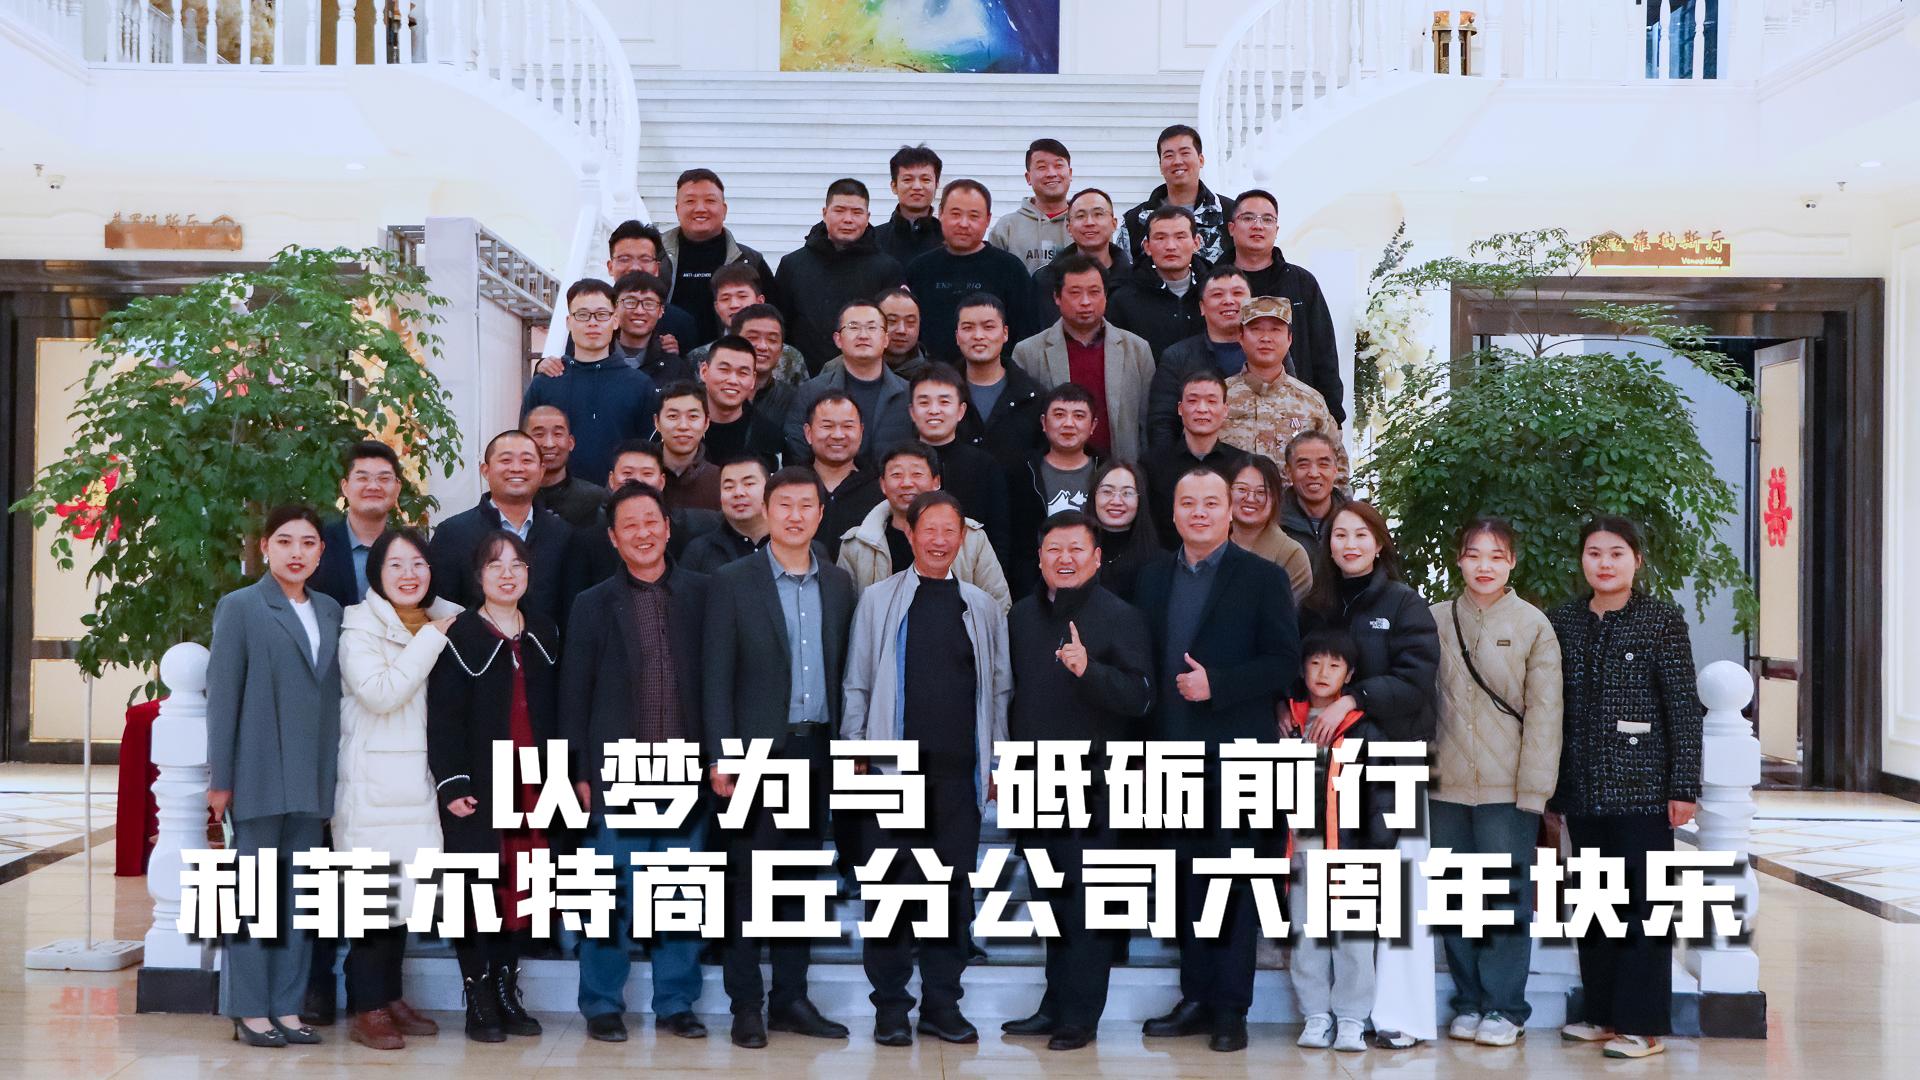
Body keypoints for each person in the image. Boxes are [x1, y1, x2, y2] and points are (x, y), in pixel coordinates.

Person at [1134, 468, 1298, 1054]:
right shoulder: (1152, 578)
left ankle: (1231, 1008)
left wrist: (1219, 685)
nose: (1199, 512)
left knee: (1232, 883)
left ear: (1231, 512)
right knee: (1184, 883)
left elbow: (1285, 663)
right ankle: (1196, 998)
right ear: (1173, 513)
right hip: (1169, 755)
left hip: (1237, 756)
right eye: (1188, 502)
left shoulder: (1263, 578)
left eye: (1211, 502)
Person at [842, 490, 1012, 1048]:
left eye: (949, 531)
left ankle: (943, 1004)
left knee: (951, 894)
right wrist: (854, 752)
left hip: (958, 777)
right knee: (888, 892)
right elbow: (857, 682)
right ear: (909, 534)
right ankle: (891, 1008)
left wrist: (997, 760)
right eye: (929, 530)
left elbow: (999, 692)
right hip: (892, 776)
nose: (939, 540)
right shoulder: (878, 599)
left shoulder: (981, 607)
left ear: (962, 539)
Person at [703, 467, 858, 1049]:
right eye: (784, 505)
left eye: (806, 506)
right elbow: (715, 676)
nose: (795, 516)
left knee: (798, 881)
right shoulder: (732, 581)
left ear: (821, 514)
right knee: (748, 882)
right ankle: (746, 1004)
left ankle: (791, 998)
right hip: (752, 756)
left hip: (814, 751)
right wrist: (722, 755)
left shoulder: (838, 583)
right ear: (766, 511)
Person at [561, 482, 712, 1044]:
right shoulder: (592, 603)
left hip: (686, 770)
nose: (643, 533)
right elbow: (574, 693)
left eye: (652, 522)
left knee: (680, 891)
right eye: (630, 525)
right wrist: (578, 772)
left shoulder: (703, 594)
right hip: (616, 770)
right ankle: (602, 1003)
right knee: (609, 892)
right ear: (613, 538)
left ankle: (676, 1003)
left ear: (667, 528)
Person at [1547, 516, 1701, 1061]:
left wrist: (1684, 785)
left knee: (1645, 905)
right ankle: (1602, 1014)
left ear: (1636, 560)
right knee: (1594, 903)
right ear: (1582, 560)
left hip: (1645, 792)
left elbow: (1683, 708)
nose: (1605, 563)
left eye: (1616, 553)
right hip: (1582, 789)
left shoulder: (1661, 620)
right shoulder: (1562, 621)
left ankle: (1643, 1026)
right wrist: (1552, 791)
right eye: (1594, 553)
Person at [1002, 511, 1153, 1051]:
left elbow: (1140, 697)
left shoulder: (1121, 616)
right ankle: (1053, 1005)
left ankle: (1080, 1016)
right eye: (1054, 550)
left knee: (1089, 905)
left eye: (1075, 550)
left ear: (1096, 557)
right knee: (1050, 899)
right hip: (1033, 779)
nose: (1064, 559)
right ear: (1040, 558)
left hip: (1098, 784)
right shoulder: (1021, 616)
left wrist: (1090, 670)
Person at [1298, 499, 1441, 1049]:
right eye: (1340, 535)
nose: (1350, 544)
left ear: (1378, 543)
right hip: (1322, 772)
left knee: (1395, 899)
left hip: (1391, 765)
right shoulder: (1316, 605)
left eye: (1361, 534)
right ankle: (1323, 1012)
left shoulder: (1404, 603)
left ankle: (1396, 1018)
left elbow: (1416, 679)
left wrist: (1353, 698)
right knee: (1318, 902)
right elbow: (1297, 668)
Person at [207, 505, 343, 1049]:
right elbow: (223, 698)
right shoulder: (241, 607)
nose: (296, 552)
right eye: (284, 541)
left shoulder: (330, 609)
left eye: (307, 543)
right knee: (255, 898)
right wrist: (221, 780)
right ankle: (249, 1010)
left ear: (321, 552)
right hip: (258, 772)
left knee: (299, 900)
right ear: (265, 547)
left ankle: (287, 1006)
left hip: (312, 777)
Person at [1431, 517, 1564, 1048]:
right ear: (1459, 560)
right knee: (1455, 895)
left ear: (1512, 562)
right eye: (1474, 555)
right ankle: (1468, 1001)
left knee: (1506, 897)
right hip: (1443, 784)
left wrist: (1535, 790)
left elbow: (1546, 714)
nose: (1484, 566)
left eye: (1496, 556)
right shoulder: (1436, 619)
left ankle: (1505, 1007)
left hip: (1507, 788)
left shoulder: (1534, 625)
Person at [427, 531, 560, 1044]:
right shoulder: (460, 634)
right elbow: (444, 719)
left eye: (517, 564)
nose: (508, 574)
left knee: (521, 888)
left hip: (533, 784)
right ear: (478, 575)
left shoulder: (544, 629)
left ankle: (507, 989)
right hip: (479, 784)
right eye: (495, 564)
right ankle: (477, 994)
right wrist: (453, 782)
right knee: (476, 888)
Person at [334, 527, 458, 1051]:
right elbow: (381, 693)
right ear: (376, 574)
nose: (409, 575)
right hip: (374, 783)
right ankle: (368, 1008)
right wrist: (431, 638)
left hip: (416, 780)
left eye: (418, 564)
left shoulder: (438, 620)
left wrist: (436, 629)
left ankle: (389, 996)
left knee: (403, 897)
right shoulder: (359, 629)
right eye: (396, 565)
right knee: (373, 901)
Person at [1284, 628, 1395, 1056]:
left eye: (1334, 665)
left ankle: (1351, 1019)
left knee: (1354, 938)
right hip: (1302, 850)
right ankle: (1315, 1014)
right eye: (1315, 663)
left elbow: (1383, 793)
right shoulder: (1287, 722)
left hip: (1352, 850)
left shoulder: (1365, 729)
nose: (1323, 672)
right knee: (1306, 935)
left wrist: (1377, 847)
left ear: (1349, 675)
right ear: (1301, 669)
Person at [1012, 252, 1154, 463]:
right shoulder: (1028, 353)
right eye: (1075, 293)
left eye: (1094, 292)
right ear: (1057, 297)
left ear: (1106, 295)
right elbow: (1023, 428)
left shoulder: (1137, 349)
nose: (1085, 302)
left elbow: (1147, 422)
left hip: (1119, 471)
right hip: (1053, 472)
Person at [836, 442, 1011, 611]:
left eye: (917, 474)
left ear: (936, 482)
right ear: (882, 484)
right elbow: (846, 615)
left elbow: (998, 605)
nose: (906, 483)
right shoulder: (858, 544)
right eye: (896, 475)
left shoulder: (971, 538)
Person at [1224, 189, 1345, 422]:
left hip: (1295, 415)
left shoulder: (1301, 282)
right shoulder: (1214, 283)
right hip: (1230, 414)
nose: (1258, 226)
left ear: (1276, 230)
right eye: (1248, 218)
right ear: (1231, 228)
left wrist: (1334, 418)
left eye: (1267, 219)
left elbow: (1324, 352)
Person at [521, 279, 659, 484]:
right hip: (553, 497)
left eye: (601, 315)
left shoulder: (640, 385)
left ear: (615, 321)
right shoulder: (546, 382)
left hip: (618, 497)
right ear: (569, 322)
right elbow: (525, 446)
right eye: (583, 315)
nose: (592, 323)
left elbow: (649, 452)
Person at [427, 430, 570, 626]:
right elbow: (441, 610)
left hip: (546, 644)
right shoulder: (452, 534)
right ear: (485, 470)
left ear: (541, 470)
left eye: (527, 460)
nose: (517, 468)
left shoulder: (562, 534)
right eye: (506, 460)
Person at [562, 441, 723, 609]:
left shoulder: (690, 528)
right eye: (628, 473)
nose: (637, 481)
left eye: (647, 473)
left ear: (661, 481)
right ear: (611, 480)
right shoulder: (587, 538)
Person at [777, 178, 907, 373]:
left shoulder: (888, 269)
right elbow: (780, 329)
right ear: (824, 213)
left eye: (857, 212)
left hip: (866, 376)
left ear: (867, 217)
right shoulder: (792, 265)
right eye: (839, 210)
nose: (848, 219)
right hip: (803, 379)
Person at [905, 179, 1040, 364]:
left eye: (974, 216)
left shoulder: (1010, 269)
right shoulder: (920, 269)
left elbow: (1025, 336)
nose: (963, 223)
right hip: (930, 376)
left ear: (988, 219)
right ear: (941, 214)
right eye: (955, 214)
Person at [1220, 296, 1347, 469]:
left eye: (1275, 330)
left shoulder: (1311, 402)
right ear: (1240, 336)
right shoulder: (1218, 398)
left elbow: (1337, 466)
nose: (1266, 338)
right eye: (1256, 329)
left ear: (1289, 338)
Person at [785, 299, 914, 462]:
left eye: (872, 328)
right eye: (853, 327)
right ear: (838, 339)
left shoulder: (908, 394)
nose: (863, 335)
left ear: (886, 339)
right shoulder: (811, 392)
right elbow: (798, 449)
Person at [661, 168, 779, 343]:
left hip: (731, 356)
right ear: (677, 210)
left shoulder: (749, 260)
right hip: (667, 356)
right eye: (690, 201)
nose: (700, 209)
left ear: (724, 209)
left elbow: (774, 319)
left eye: (710, 200)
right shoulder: (656, 255)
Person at [908, 365, 1012, 562]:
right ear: (912, 412)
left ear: (961, 411)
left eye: (944, 402)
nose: (934, 411)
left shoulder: (985, 466)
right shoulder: (898, 465)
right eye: (924, 402)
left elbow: (999, 537)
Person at [534, 270, 693, 390]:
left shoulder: (676, 369)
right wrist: (542, 367)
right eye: (630, 301)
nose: (639, 310)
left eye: (649, 303)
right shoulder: (589, 355)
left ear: (661, 311)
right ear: (614, 307)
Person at [1148, 266, 1252, 447]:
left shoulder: (1270, 351)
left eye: (1237, 293)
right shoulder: (1177, 357)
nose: (1229, 301)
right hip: (1199, 461)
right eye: (1217, 295)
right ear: (1202, 307)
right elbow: (1162, 424)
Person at [1010, 384, 1100, 588]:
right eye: (1059, 415)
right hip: (1034, 586)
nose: (1068, 424)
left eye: (1079, 416)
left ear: (1093, 425)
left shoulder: (1105, 471)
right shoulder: (1022, 473)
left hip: (1095, 585)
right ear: (1044, 422)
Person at [1144, 369, 1246, 546]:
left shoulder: (1242, 465)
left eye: (1211, 401)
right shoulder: (1151, 465)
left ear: (1225, 410)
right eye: (1192, 401)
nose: (1202, 409)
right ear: (1180, 408)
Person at [951, 293, 1046, 471]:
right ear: (957, 336)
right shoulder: (941, 392)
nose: (978, 335)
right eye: (968, 328)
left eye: (988, 327)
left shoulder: (1033, 397)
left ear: (1005, 333)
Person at [1122, 124, 1233, 264]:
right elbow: (1124, 272)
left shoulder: (1231, 214)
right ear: (1160, 166)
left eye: (1185, 153)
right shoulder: (1135, 220)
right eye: (1169, 155)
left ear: (1201, 160)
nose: (1177, 161)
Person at [312, 441, 403, 611]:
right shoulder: (317, 546)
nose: (373, 486)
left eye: (384, 479)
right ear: (345, 487)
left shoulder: (409, 549)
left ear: (397, 488)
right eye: (362, 478)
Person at [1109, 206, 1208, 360]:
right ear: (1147, 246)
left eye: (1180, 237)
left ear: (1196, 243)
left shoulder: (1215, 291)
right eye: (1160, 238)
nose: (1170, 246)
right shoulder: (1124, 298)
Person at [685, 266, 810, 388]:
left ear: (760, 301)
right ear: (717, 307)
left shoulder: (789, 357)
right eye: (725, 298)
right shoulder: (699, 357)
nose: (734, 305)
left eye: (742, 296)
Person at [802, 394, 884, 560]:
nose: (838, 435)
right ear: (808, 433)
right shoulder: (790, 485)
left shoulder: (880, 490)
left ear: (861, 432)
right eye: (827, 426)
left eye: (848, 426)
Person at [1035, 187, 1132, 324]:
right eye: (1080, 216)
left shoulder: (1135, 280)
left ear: (1114, 223)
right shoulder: (1045, 280)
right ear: (1069, 227)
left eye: (1098, 214)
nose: (1089, 222)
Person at [1228, 454, 1312, 601]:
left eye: (1261, 492)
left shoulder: (1291, 555)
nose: (1250, 499)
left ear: (1275, 498)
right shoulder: (1210, 546)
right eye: (1242, 489)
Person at [604, 218, 698, 349]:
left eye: (645, 259)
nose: (635, 267)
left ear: (657, 268)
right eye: (624, 259)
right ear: (610, 267)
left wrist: (671, 356)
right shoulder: (593, 314)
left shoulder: (680, 322)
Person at [1086, 460, 1168, 603]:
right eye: (1107, 491)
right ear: (1094, 496)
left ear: (1140, 501)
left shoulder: (1160, 562)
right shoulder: (1077, 555)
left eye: (1127, 493)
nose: (1116, 501)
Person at [697, 335, 785, 468]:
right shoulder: (680, 426)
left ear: (753, 379)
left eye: (743, 373)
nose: (733, 380)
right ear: (704, 371)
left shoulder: (768, 437)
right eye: (724, 370)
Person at [989, 138, 1074, 273]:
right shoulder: (1007, 227)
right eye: (1042, 167)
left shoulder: (1085, 224)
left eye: (1058, 165)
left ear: (1070, 173)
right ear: (1028, 177)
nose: (1051, 173)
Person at [526, 404, 612, 528]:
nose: (549, 444)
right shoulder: (510, 496)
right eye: (539, 434)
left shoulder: (596, 499)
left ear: (571, 443)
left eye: (557, 434)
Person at [681, 456, 771, 573]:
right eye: (729, 487)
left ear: (770, 489)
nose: (738, 493)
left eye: (749, 484)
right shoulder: (699, 551)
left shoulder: (790, 543)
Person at [729, 303, 807, 423]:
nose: (763, 346)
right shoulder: (711, 396)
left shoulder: (794, 401)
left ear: (781, 350)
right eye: (753, 337)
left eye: (772, 340)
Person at [872, 144, 944, 265]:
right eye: (907, 179)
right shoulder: (873, 241)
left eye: (925, 179)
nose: (917, 187)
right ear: (894, 186)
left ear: (936, 185)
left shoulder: (949, 241)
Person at [1278, 429, 1350, 551]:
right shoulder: (1271, 523)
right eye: (1303, 465)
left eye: (1323, 464)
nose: (1314, 474)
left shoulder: (1355, 520)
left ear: (1335, 469)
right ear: (1288, 472)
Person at [656, 382, 723, 512]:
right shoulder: (640, 475)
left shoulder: (720, 481)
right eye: (673, 416)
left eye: (693, 416)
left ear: (706, 423)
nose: (683, 426)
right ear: (657, 422)